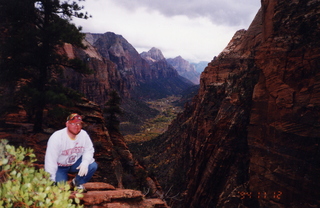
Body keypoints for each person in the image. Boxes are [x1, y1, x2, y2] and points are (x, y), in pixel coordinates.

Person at [45, 113, 98, 190]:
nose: (76, 126)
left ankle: (77, 183)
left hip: (74, 163)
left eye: (79, 124)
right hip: (60, 166)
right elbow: (50, 160)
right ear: (67, 124)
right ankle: (59, 181)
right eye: (73, 123)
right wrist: (51, 180)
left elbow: (89, 150)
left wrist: (85, 163)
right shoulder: (57, 137)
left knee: (92, 165)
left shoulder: (84, 135)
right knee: (61, 189)